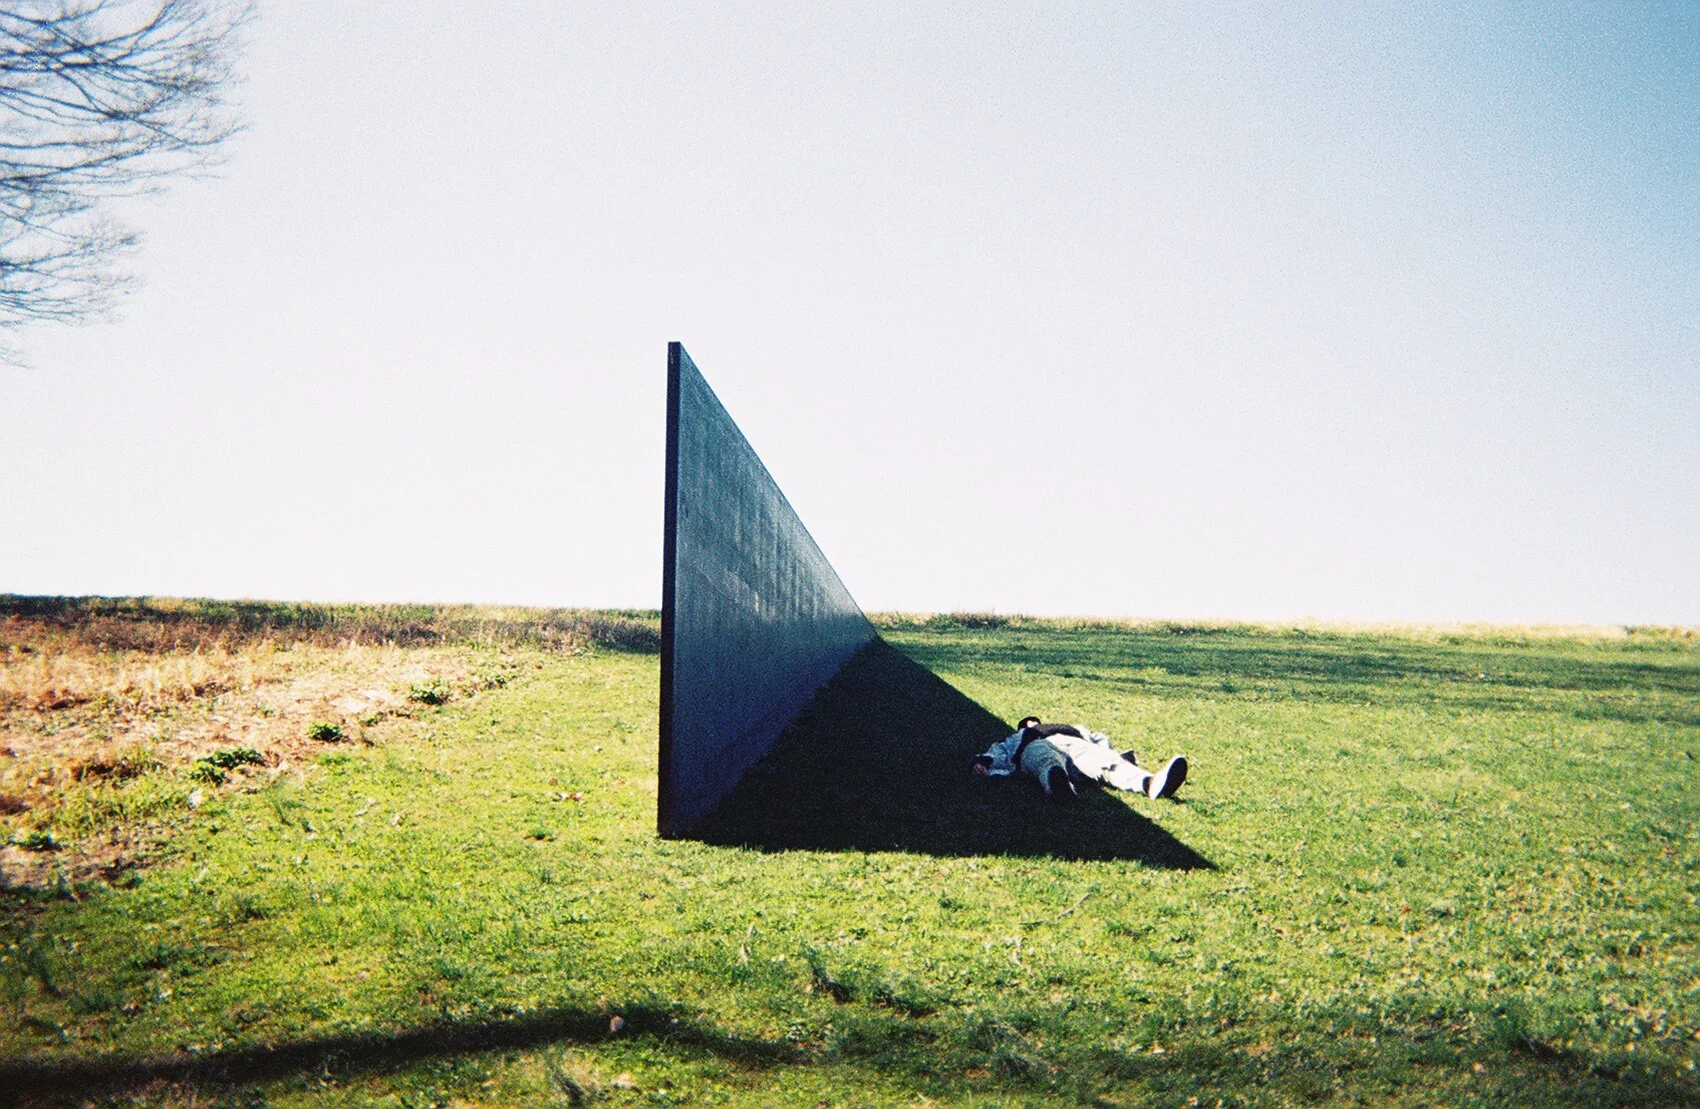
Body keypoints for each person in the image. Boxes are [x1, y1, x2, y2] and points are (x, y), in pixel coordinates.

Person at [970, 716, 1187, 802]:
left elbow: (1099, 739)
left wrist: (1114, 755)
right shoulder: (1020, 737)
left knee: (1106, 763)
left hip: (1075, 745)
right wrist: (983, 762)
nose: (1032, 723)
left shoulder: (1072, 728)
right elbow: (1001, 750)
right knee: (1048, 761)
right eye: (1027, 722)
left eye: (1034, 720)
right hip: (1035, 747)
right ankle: (1060, 787)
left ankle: (1149, 783)